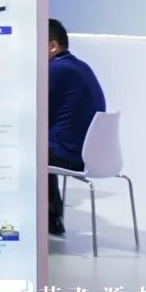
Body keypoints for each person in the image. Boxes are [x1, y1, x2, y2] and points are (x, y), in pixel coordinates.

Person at [47, 18, 106, 236]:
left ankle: (44, 217)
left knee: (25, 153)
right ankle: (51, 218)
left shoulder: (55, 70)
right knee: (41, 149)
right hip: (90, 154)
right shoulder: (80, 66)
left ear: (53, 46)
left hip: (70, 155)